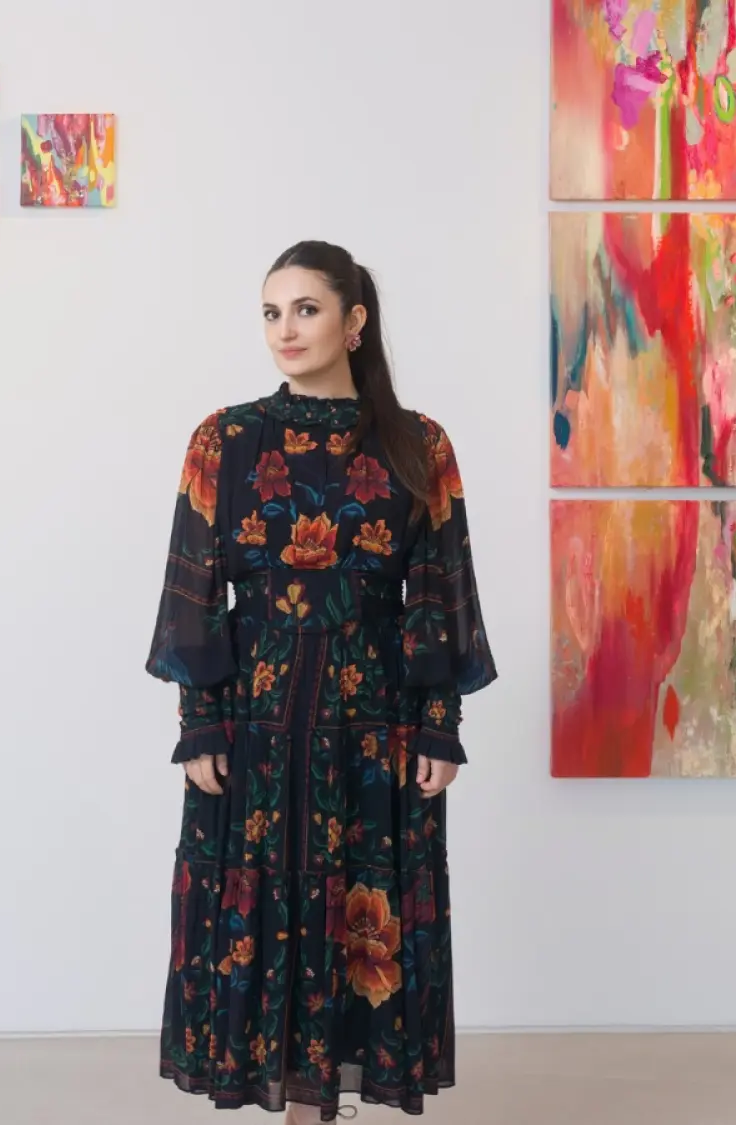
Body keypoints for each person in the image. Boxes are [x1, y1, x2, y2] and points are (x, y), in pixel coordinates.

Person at [147, 241, 497, 1121]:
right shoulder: (226, 439)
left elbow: (439, 591)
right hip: (256, 725)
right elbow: (195, 588)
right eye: (272, 312)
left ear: (355, 321)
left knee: (361, 919)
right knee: (256, 911)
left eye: (305, 309)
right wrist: (199, 722)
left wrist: (441, 722)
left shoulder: (419, 445)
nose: (285, 329)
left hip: (374, 728)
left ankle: (317, 1109)